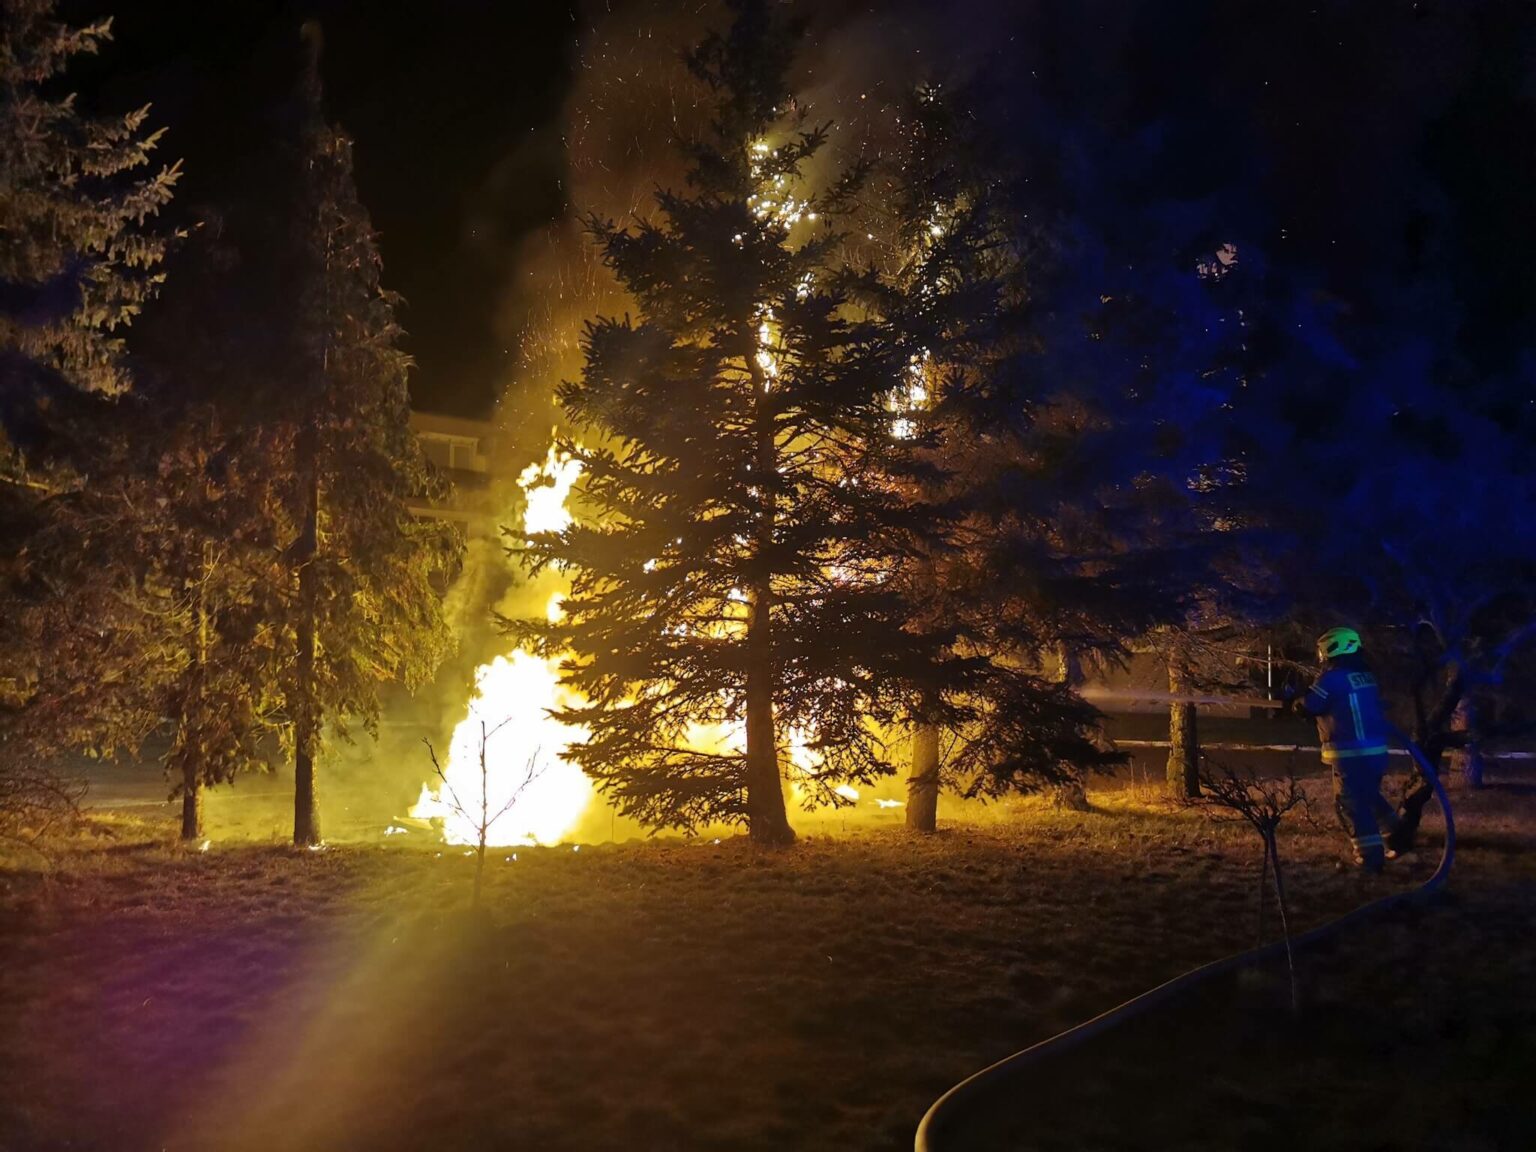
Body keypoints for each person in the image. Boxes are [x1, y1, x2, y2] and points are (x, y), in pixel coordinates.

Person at [1284, 627, 1401, 873]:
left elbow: (1311, 705)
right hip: (1376, 752)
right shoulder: (1366, 676)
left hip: (1350, 755)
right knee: (1369, 796)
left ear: (1331, 649)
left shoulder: (1333, 679)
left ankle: (1369, 857)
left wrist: (1295, 702)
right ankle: (1398, 837)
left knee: (1350, 804)